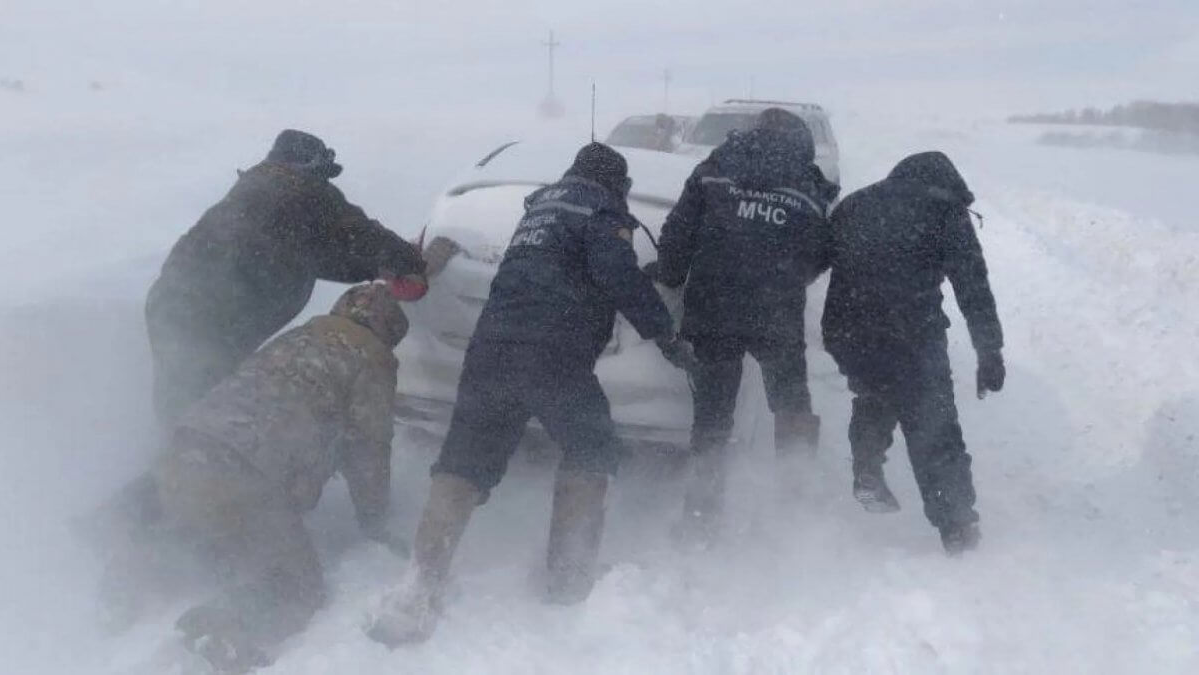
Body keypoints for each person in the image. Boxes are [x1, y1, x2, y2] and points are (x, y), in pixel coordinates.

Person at [366, 143, 696, 647]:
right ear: (617, 184)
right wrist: (666, 337)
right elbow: (618, 276)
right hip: (555, 353)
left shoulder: (538, 212)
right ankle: (568, 578)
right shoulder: (601, 211)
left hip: (490, 349)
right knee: (591, 447)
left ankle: (419, 585)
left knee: (463, 462)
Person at [102, 283, 410, 672]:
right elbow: (369, 448)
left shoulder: (300, 334)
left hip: (183, 450)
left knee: (204, 531)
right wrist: (375, 520)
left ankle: (132, 575)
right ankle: (221, 632)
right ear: (389, 331)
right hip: (245, 474)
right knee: (297, 586)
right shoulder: (372, 358)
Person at [145, 129, 426, 426]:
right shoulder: (303, 190)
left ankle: (168, 459)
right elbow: (363, 235)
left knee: (181, 401)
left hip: (169, 302)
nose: (326, 182)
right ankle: (191, 465)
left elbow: (316, 257)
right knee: (208, 410)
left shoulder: (260, 195)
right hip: (213, 315)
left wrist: (376, 269)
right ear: (310, 167)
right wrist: (409, 259)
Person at [645, 108, 839, 534]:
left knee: (713, 416)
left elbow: (679, 233)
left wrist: (671, 274)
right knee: (790, 403)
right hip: (776, 312)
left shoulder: (715, 168)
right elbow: (822, 251)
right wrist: (788, 277)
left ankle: (701, 515)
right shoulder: (809, 185)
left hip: (714, 306)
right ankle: (797, 501)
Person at [820, 151, 1005, 555]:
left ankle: (867, 467)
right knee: (935, 430)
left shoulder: (856, 203)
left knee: (874, 394)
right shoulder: (945, 213)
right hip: (912, 335)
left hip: (848, 331)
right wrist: (989, 350)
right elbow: (972, 286)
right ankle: (957, 529)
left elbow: (812, 260)